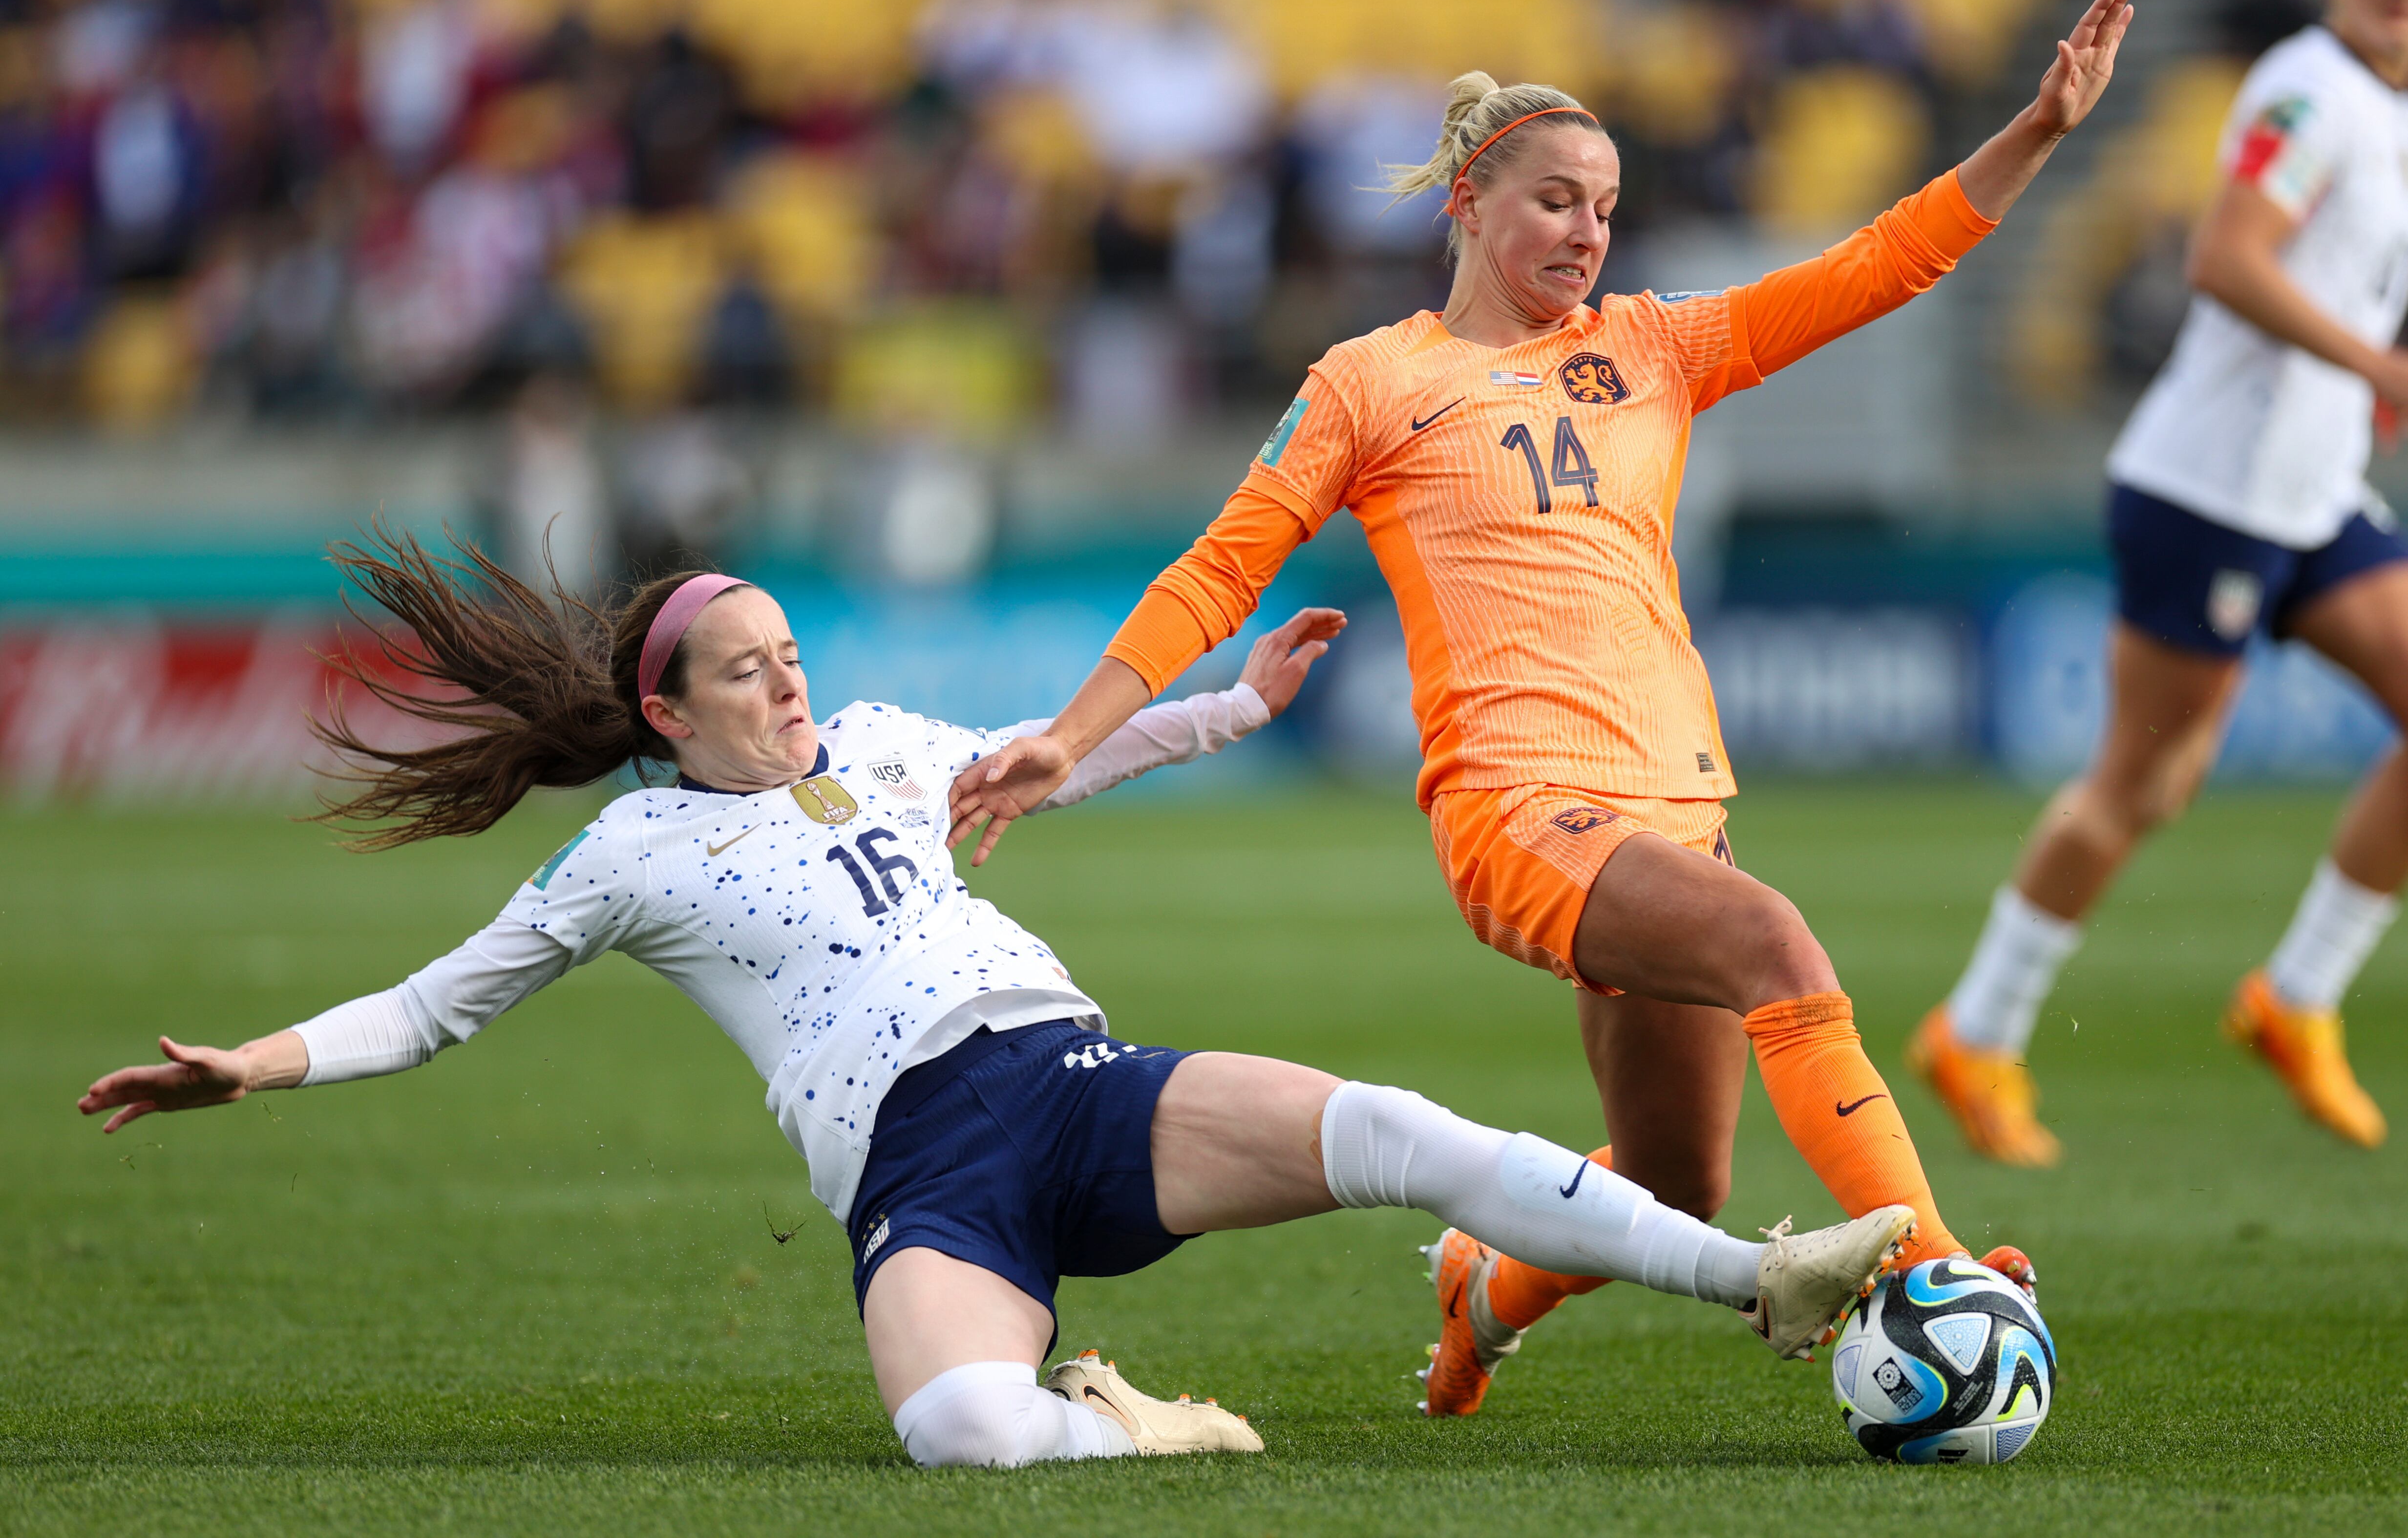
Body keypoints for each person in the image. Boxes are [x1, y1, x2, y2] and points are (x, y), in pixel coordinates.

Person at [77, 534, 1917, 1469]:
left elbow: (1055, 761)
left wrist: (1237, 710)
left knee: (1399, 1132)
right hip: (924, 1179)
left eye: (794, 654)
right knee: (963, 1435)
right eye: (749, 670)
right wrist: (255, 1063)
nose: (791, 684)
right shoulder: (628, 860)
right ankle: (1138, 1421)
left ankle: (1766, 1277)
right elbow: (433, 1004)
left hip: (1068, 1078)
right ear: (667, 713)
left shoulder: (881, 745)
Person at [947, 0, 2137, 1418]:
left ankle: (1482, 1285)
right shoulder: (1373, 382)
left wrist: (2036, 131)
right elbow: (1219, 568)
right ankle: (1943, 1272)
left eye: (1607, 208)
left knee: (1674, 1179)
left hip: (1669, 812)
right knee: (1777, 944)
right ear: (1469, 198)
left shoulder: (1653, 347)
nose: (1586, 232)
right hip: (1519, 808)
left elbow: (1878, 266)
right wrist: (1070, 736)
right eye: (1557, 200)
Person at [1916, 0, 2405, 1166]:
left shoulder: (2379, 106)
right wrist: (2373, 366)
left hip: (2306, 488)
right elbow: (2224, 257)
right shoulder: (2306, 88)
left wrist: (2361, 388)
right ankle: (1976, 1029)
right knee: (2145, 786)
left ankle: (2293, 997)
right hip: (2209, 492)